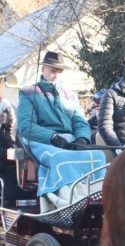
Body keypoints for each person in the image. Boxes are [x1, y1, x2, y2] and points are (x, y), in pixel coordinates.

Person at [17, 50, 106, 211]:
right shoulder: (29, 93)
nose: (56, 75)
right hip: (40, 140)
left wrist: (82, 139)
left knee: (98, 155)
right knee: (60, 158)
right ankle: (67, 204)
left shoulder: (70, 95)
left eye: (59, 71)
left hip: (69, 140)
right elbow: (26, 127)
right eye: (52, 70)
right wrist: (53, 138)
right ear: (43, 69)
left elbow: (80, 121)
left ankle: (96, 200)